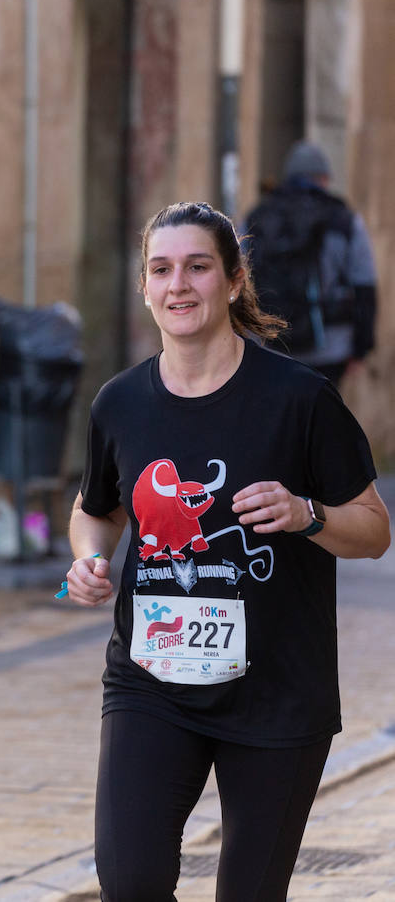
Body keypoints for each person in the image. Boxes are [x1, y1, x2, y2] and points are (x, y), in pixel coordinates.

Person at [64, 201, 390, 900]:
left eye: (198, 267)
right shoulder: (120, 404)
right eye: (161, 269)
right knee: (131, 880)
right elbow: (97, 512)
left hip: (276, 693)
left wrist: (307, 515)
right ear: (144, 288)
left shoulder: (299, 399)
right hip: (152, 681)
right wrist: (90, 558)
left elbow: (373, 528)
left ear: (235, 280)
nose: (178, 285)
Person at [244, 140, 379, 384]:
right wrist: (361, 347)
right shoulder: (344, 220)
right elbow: (364, 284)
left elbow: (240, 280)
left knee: (279, 419)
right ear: (324, 179)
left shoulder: (257, 217)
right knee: (324, 418)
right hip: (331, 346)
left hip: (270, 345)